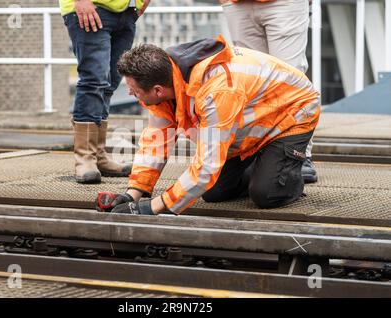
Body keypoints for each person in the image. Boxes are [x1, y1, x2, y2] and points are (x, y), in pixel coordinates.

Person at [106, 36, 320, 216]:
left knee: (266, 194)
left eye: (133, 89)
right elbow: (156, 140)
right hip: (251, 121)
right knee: (213, 192)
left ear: (158, 90)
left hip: (292, 113)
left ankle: (286, 176)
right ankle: (268, 166)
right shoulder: (165, 76)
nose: (131, 94)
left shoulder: (217, 90)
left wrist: (155, 207)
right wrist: (133, 193)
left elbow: (207, 167)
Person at [219, 0, 318, 183]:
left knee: (290, 78)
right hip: (236, 4)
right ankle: (260, 156)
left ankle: (299, 155)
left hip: (285, 3)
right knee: (251, 82)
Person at [60, 0, 150, 183]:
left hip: (127, 11)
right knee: (93, 80)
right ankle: (85, 159)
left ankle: (98, 156)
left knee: (110, 83)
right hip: (90, 7)